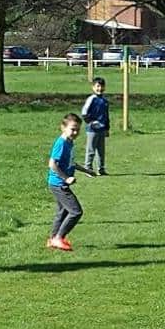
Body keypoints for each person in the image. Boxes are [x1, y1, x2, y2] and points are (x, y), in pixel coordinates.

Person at [47, 112, 86, 251]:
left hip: (58, 183)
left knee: (63, 211)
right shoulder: (61, 143)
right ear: (63, 127)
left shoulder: (69, 142)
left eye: (78, 130)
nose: (75, 132)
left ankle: (52, 239)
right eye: (72, 129)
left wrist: (87, 170)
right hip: (58, 184)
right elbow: (52, 164)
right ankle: (59, 238)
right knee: (76, 211)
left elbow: (70, 162)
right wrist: (66, 178)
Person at [81, 77, 111, 175]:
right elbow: (84, 113)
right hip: (92, 130)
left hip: (102, 130)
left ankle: (101, 169)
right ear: (93, 87)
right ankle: (88, 169)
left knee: (101, 151)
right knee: (91, 150)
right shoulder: (91, 99)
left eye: (102, 86)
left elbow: (106, 116)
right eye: (98, 86)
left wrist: (107, 128)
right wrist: (91, 122)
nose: (100, 88)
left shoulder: (105, 101)